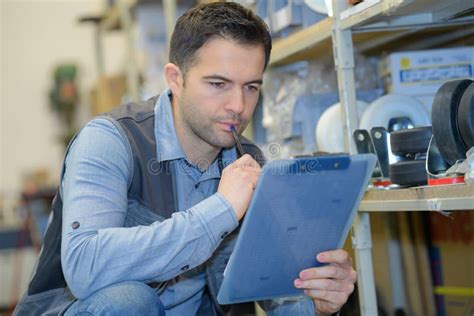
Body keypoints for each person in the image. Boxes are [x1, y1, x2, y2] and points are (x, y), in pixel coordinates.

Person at [14, 2, 356, 315]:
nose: (238, 105)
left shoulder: (249, 163)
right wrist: (221, 209)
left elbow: (274, 296)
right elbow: (85, 267)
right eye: (218, 84)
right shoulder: (110, 140)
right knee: (130, 303)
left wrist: (317, 302)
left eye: (251, 87)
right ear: (176, 80)